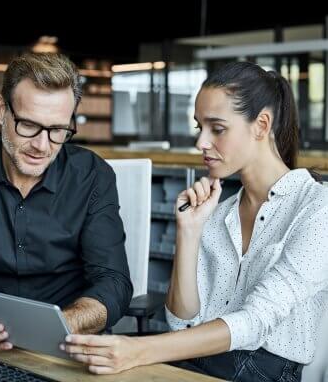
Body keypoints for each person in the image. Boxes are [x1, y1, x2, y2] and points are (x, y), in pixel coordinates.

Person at [60, 61, 328, 382]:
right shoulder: (218, 211)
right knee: (79, 364)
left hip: (263, 370)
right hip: (200, 358)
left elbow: (256, 321)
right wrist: (188, 232)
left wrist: (138, 351)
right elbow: (181, 322)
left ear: (261, 125)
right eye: (200, 127)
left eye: (217, 128)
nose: (201, 143)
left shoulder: (317, 207)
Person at [0, 53, 132, 351]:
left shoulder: (93, 176)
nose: (42, 145)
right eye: (28, 125)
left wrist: (60, 325)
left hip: (68, 342)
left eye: (58, 130)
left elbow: (113, 283)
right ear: (2, 110)